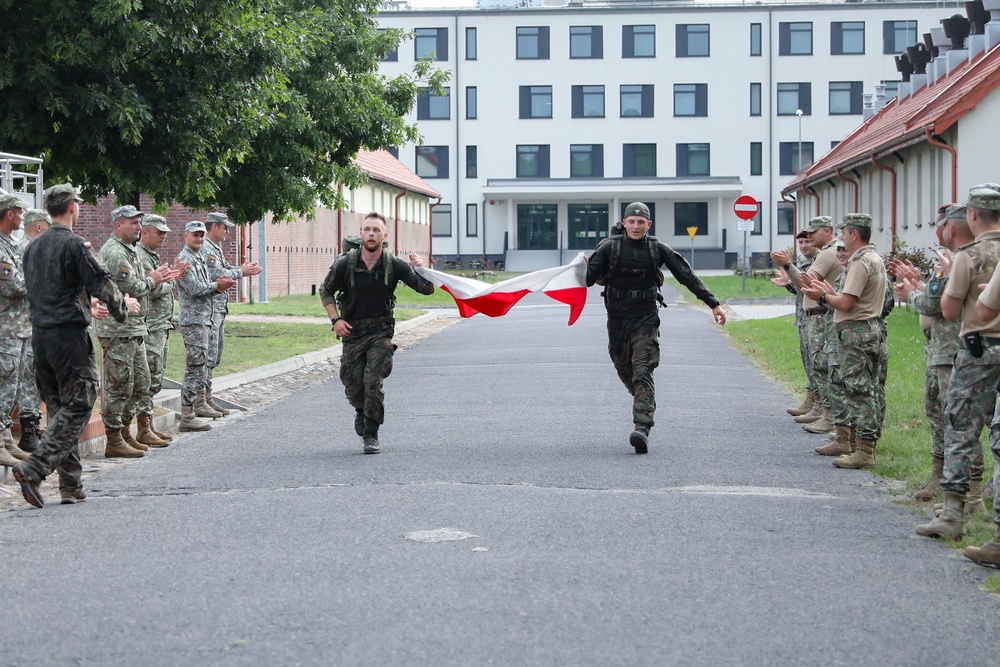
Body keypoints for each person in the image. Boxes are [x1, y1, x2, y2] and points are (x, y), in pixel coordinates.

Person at [12, 184, 138, 508]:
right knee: (81, 402)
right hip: (68, 335)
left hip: (40, 336)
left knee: (58, 409)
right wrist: (121, 309)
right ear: (72, 207)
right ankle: (34, 468)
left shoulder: (32, 247)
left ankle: (70, 483)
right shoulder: (75, 244)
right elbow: (102, 282)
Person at [584, 202, 726, 454]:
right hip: (617, 320)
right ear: (625, 222)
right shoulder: (609, 247)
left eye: (641, 222)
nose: (636, 226)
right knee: (625, 370)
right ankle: (644, 398)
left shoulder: (657, 249)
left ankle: (642, 427)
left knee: (643, 370)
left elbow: (686, 275)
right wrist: (584, 266)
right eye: (632, 221)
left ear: (648, 225)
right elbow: (585, 280)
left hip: (646, 319)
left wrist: (713, 303)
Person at [916, 185, 1000, 540]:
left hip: (978, 351)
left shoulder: (970, 255)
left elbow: (949, 311)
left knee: (961, 426)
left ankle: (953, 513)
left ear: (973, 215)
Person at [319, 212, 435, 454]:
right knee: (353, 388)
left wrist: (421, 269)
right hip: (352, 332)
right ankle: (361, 410)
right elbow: (326, 291)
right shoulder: (346, 263)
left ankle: (371, 433)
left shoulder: (394, 264)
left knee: (372, 382)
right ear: (361, 234)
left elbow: (427, 290)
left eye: (376, 230)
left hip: (381, 332)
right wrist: (336, 320)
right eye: (367, 229)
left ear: (384, 235)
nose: (371, 234)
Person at [891, 204, 969, 500]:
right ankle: (942, 477)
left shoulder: (962, 260)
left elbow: (934, 305)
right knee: (937, 412)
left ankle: (966, 492)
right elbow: (938, 296)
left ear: (951, 227)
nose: (936, 229)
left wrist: (911, 294)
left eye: (939, 224)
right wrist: (920, 285)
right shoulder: (948, 261)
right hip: (939, 349)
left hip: (953, 352)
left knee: (956, 420)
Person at [801, 214, 887, 469]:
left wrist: (824, 296)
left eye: (844, 233)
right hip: (863, 331)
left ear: (854, 234)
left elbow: (848, 304)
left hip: (857, 333)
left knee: (860, 392)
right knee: (860, 390)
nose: (842, 238)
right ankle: (859, 445)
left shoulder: (861, 261)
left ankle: (865, 450)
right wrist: (829, 292)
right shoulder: (873, 258)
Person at [96, 205, 178, 458]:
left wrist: (153, 279)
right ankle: (114, 438)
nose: (138, 227)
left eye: (139, 222)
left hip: (135, 327)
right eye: (133, 223)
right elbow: (130, 285)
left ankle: (129, 432)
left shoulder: (129, 250)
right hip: (118, 328)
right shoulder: (114, 252)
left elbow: (139, 285)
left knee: (140, 383)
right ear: (118, 225)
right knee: (119, 386)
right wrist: (154, 279)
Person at [771, 217, 845, 435]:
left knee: (823, 365)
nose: (809, 237)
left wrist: (787, 265)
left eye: (814, 233)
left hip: (823, 316)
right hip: (817, 314)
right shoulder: (828, 252)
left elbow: (806, 282)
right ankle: (823, 409)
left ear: (828, 231)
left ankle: (829, 414)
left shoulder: (828, 253)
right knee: (819, 364)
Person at [176, 221, 236, 432]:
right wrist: (217, 287)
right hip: (193, 321)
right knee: (195, 366)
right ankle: (187, 414)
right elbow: (194, 288)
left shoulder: (198, 256)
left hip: (203, 319)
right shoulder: (184, 259)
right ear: (185, 236)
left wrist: (217, 285)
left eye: (202, 236)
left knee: (202, 364)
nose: (199, 239)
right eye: (195, 235)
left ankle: (195, 407)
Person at [201, 211, 261, 417]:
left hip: (218, 309)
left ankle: (207, 398)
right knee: (207, 356)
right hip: (208, 311)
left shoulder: (215, 248)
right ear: (215, 226)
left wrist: (243, 269)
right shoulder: (206, 249)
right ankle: (202, 400)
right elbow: (216, 274)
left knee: (215, 356)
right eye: (225, 227)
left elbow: (226, 268)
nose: (227, 231)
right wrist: (241, 272)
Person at [136, 214, 188, 445]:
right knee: (148, 378)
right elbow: (152, 288)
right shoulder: (140, 256)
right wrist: (170, 280)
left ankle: (146, 426)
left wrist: (172, 277)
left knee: (155, 378)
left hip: (160, 325)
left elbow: (160, 283)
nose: (163, 237)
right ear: (145, 232)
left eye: (165, 233)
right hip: (151, 326)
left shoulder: (150, 256)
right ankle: (143, 428)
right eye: (159, 233)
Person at [0, 193, 34, 466]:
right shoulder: (1, 250)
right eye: (20, 212)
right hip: (5, 331)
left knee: (13, 388)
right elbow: (16, 286)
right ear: (9, 214)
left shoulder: (9, 246)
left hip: (18, 328)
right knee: (4, 386)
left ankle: (6, 438)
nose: (23, 217)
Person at [774, 231, 820, 417]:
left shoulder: (819, 262)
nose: (803, 246)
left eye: (807, 241)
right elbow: (800, 290)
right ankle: (813, 398)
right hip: (803, 319)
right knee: (808, 362)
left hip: (815, 319)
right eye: (800, 242)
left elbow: (809, 286)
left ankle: (820, 404)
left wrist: (789, 268)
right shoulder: (805, 264)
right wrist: (788, 282)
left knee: (817, 364)